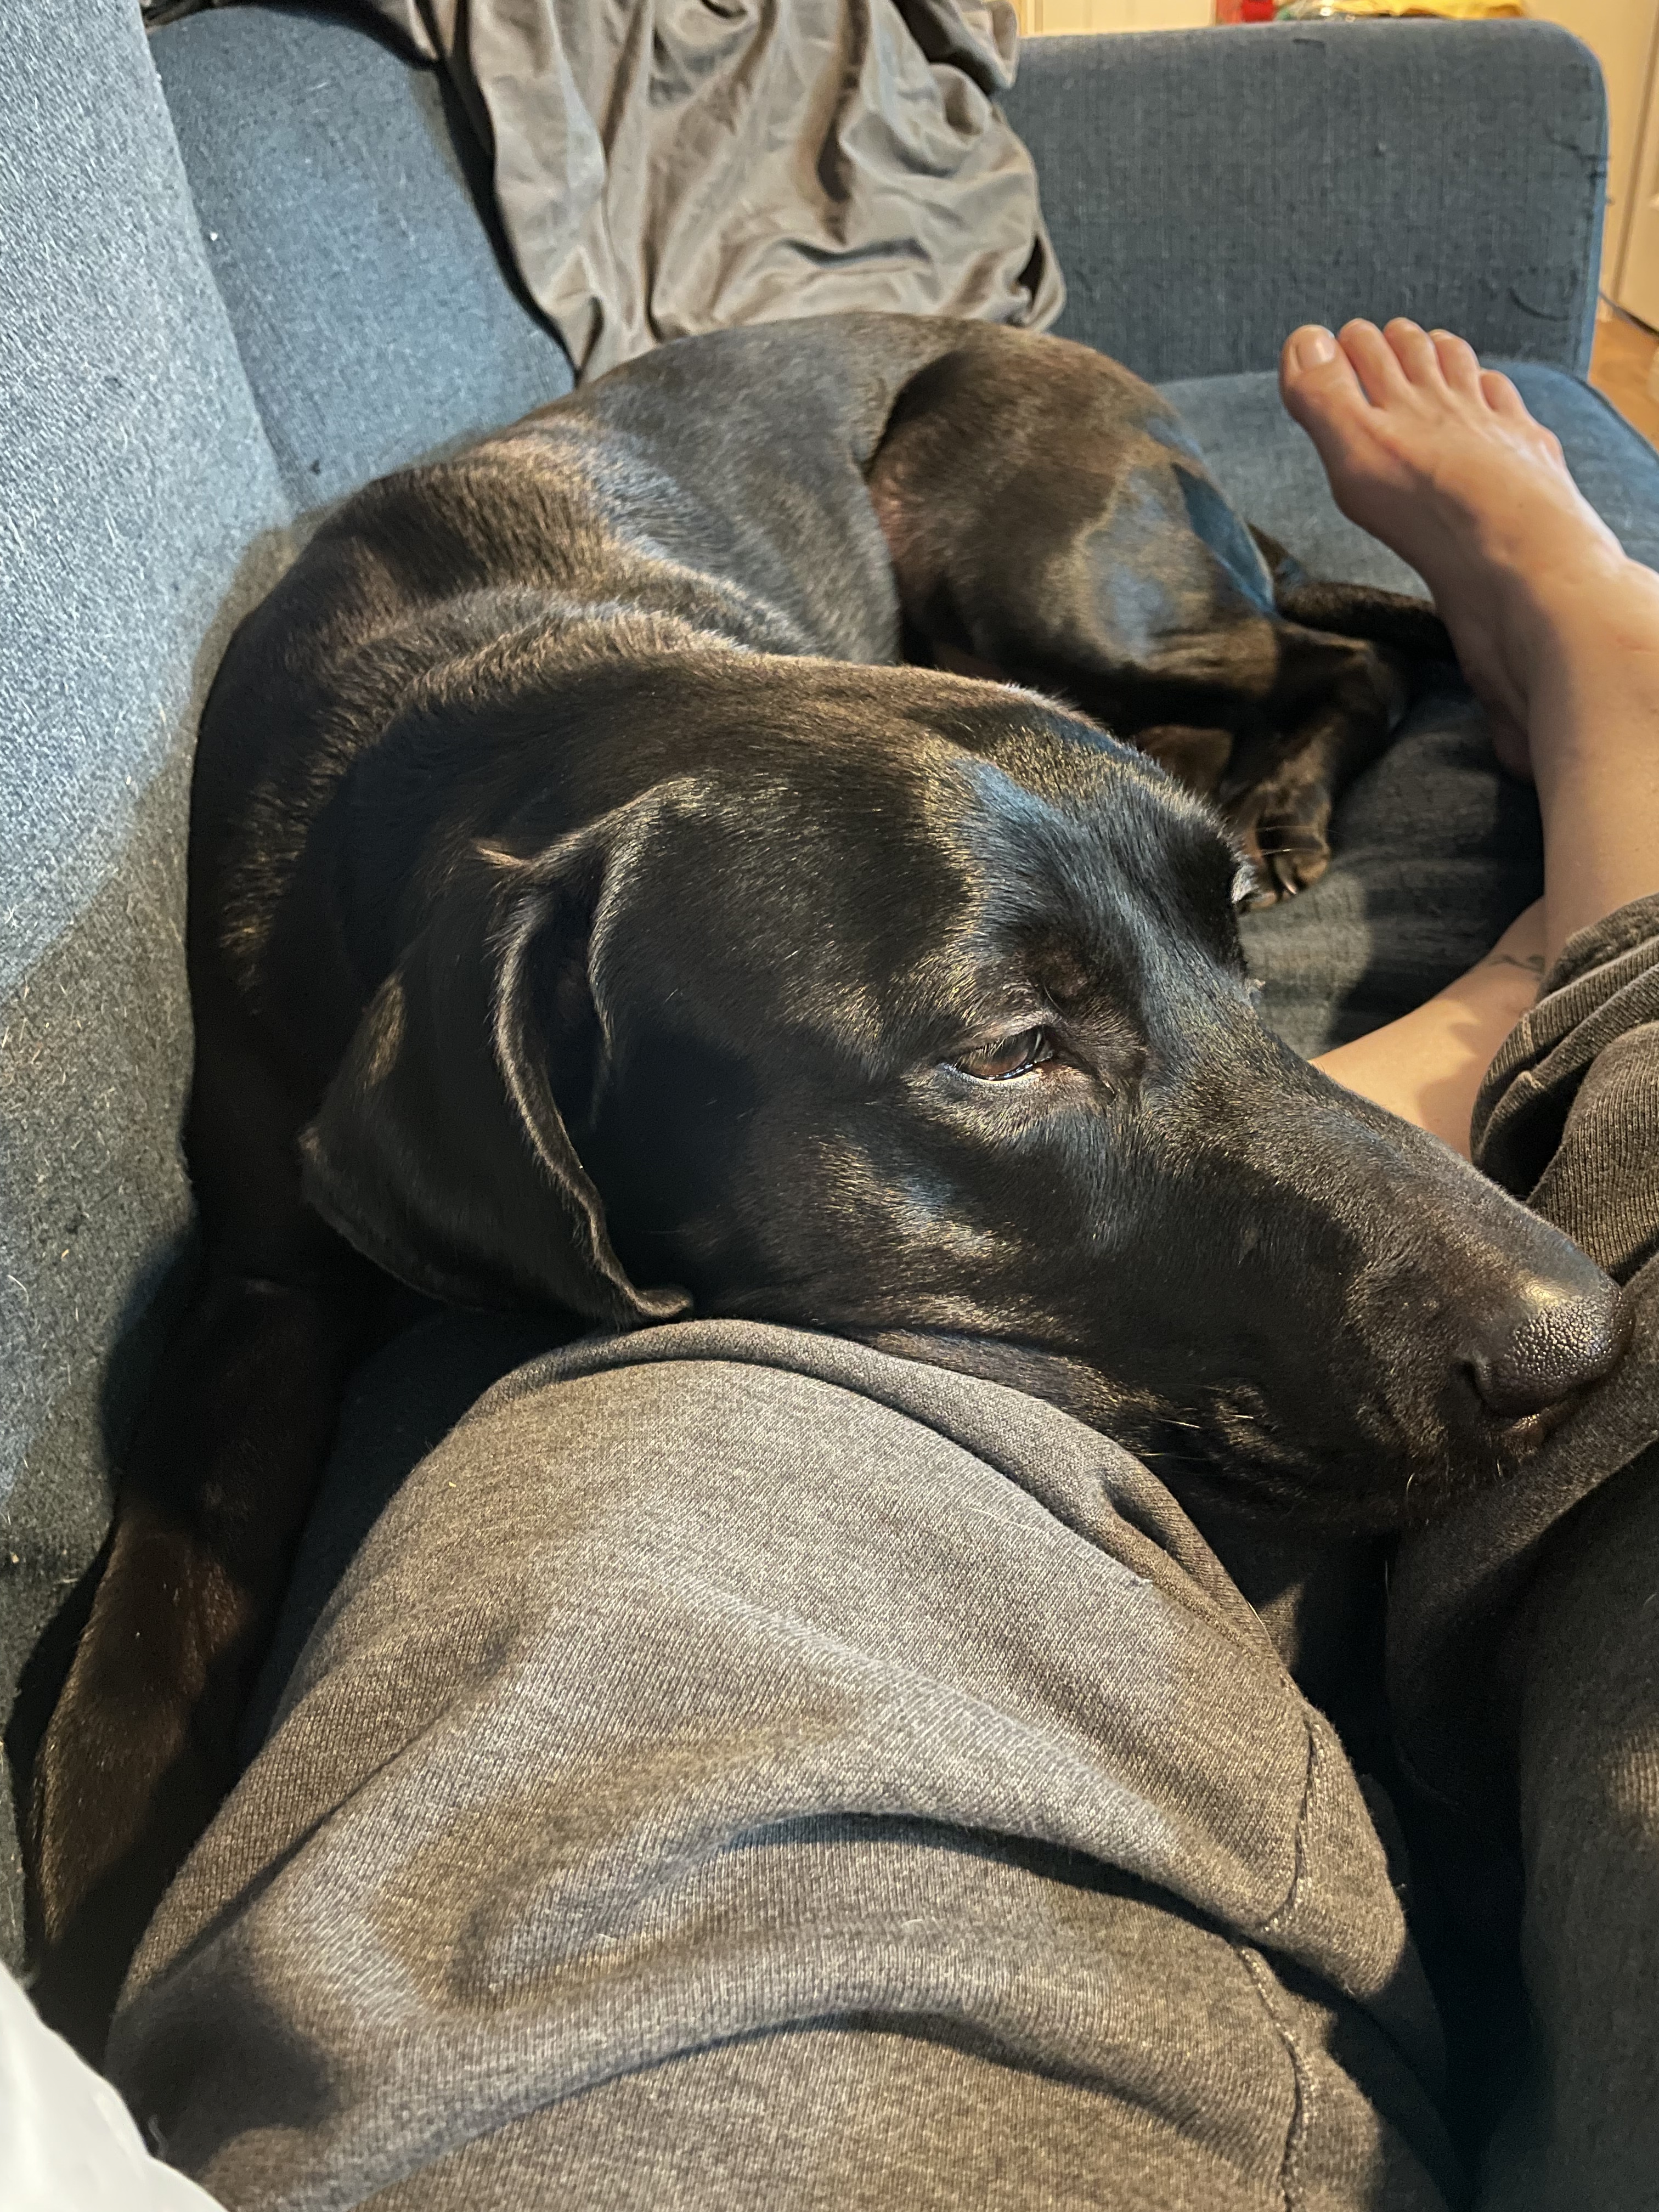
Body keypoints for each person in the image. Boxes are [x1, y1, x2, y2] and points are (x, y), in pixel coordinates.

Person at [31, 323, 1659, 2211]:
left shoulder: (797, 738)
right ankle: (1598, 844)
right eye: (1015, 1046)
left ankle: (1360, 698)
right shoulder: (493, 971)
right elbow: (259, 1328)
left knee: (1079, 586)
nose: (1540, 1297)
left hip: (935, 410)